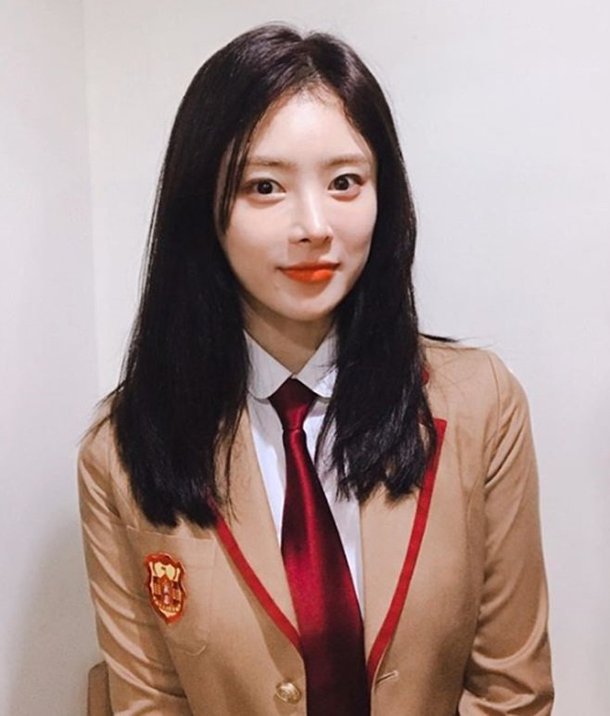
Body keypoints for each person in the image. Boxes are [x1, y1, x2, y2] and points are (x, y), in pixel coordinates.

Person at [78, 22, 553, 716]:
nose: (314, 225)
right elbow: (150, 702)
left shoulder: (481, 404)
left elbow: (513, 691)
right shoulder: (122, 450)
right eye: (265, 186)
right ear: (203, 208)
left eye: (345, 182)